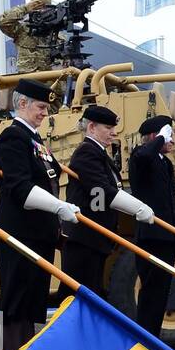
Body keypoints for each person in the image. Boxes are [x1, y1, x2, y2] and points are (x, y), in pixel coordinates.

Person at [0, 78, 78, 350]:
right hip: (18, 231)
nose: (45, 113)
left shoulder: (33, 138)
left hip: (37, 231)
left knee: (31, 300)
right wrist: (58, 206)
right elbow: (20, 187)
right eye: (40, 107)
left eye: (46, 108)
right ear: (23, 103)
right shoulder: (13, 136)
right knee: (18, 300)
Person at [64, 104, 155, 296]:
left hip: (95, 237)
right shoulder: (87, 152)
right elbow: (102, 190)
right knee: (79, 296)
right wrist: (138, 208)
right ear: (91, 127)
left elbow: (103, 193)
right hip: (85, 237)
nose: (114, 133)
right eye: (108, 128)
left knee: (91, 294)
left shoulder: (98, 153)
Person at [129, 116, 175, 334]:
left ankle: (153, 334)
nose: (173, 141)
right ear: (154, 136)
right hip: (152, 237)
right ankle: (145, 336)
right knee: (151, 292)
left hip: (167, 238)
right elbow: (143, 156)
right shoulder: (141, 157)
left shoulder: (165, 163)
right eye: (170, 135)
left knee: (161, 293)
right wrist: (161, 138)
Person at [0, 0, 55, 74]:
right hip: (28, 78)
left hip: (53, 81)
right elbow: (3, 22)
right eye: (37, 9)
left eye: (45, 9)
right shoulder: (23, 29)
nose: (41, 12)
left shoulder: (57, 34)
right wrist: (25, 8)